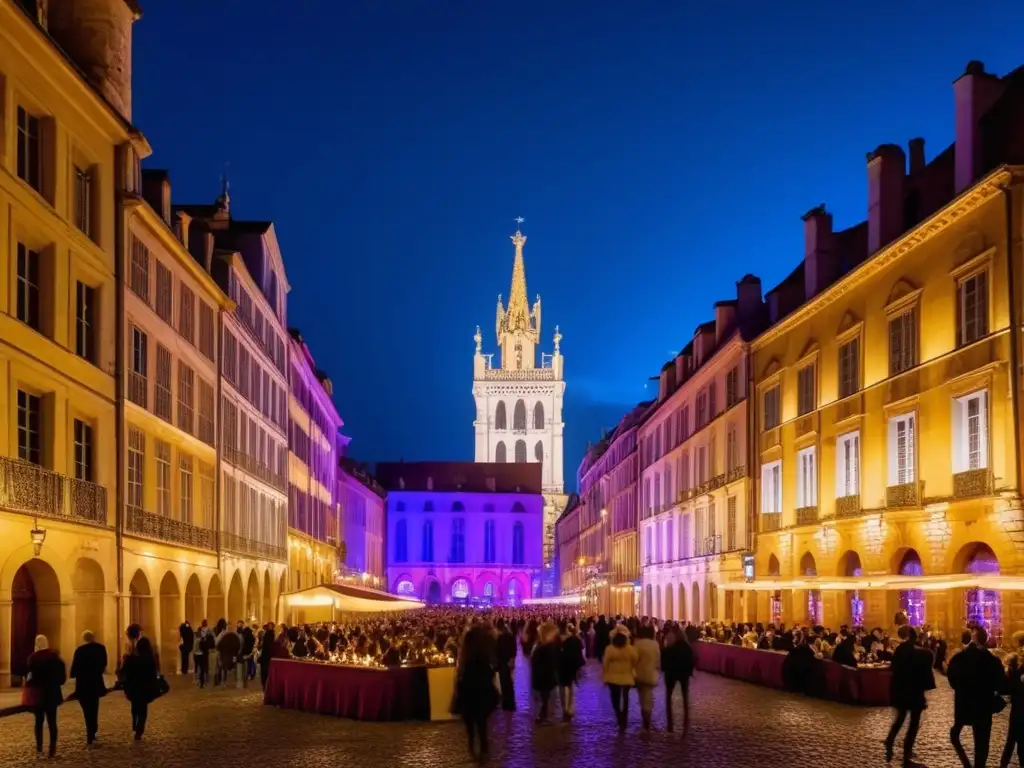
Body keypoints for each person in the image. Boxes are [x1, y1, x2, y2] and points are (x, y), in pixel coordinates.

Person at [948, 625, 1007, 768]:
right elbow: (1001, 685)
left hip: (965, 702)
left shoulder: (961, 657)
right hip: (983, 705)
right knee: (982, 742)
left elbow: (952, 677)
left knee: (956, 734)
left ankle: (968, 764)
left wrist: (962, 689)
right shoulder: (992, 660)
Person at [884, 626, 935, 768]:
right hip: (913, 693)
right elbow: (929, 657)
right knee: (913, 724)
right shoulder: (917, 653)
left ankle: (890, 740)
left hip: (899, 691)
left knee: (900, 718)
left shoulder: (900, 651)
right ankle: (906, 759)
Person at [456, 623, 498, 763]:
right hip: (483, 695)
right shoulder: (484, 658)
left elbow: (460, 678)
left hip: (468, 696)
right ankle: (484, 750)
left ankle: (471, 745)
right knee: (482, 724)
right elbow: (491, 674)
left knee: (470, 724)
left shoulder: (465, 660)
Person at [26, 635, 66, 758]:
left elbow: (29, 676)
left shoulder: (33, 657)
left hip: (38, 693)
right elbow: (62, 676)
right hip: (52, 692)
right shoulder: (54, 656)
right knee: (52, 721)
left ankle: (39, 748)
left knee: (39, 722)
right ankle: (52, 749)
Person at [70, 630, 108, 746]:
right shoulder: (101, 648)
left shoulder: (80, 650)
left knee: (86, 709)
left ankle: (90, 732)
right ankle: (93, 728)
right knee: (94, 706)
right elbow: (104, 663)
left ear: (84, 639)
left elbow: (73, 670)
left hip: (83, 684)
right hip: (95, 682)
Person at [602, 625, 638, 732]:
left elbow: (605, 663)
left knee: (615, 699)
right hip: (627, 676)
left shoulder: (610, 649)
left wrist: (605, 674)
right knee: (626, 698)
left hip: (613, 678)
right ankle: (624, 719)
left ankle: (619, 716)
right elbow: (635, 660)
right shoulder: (630, 649)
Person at [122, 637, 159, 740]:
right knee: (143, 709)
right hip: (145, 687)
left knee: (135, 706)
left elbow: (125, 672)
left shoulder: (132, 659)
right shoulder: (150, 660)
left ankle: (135, 723)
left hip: (134, 687)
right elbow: (153, 674)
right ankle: (140, 728)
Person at [661, 625, 695, 731]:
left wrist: (665, 670)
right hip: (684, 674)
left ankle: (670, 723)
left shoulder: (670, 648)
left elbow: (664, 660)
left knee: (668, 698)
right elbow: (691, 661)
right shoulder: (687, 648)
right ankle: (686, 722)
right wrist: (689, 672)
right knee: (685, 698)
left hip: (671, 674)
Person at [1001, 631, 1024, 768]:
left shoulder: (1016, 667)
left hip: (1018, 708)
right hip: (1017, 707)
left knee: (1014, 740)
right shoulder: (1016, 666)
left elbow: (1009, 687)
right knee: (1014, 740)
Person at [530, 621, 560, 724]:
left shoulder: (540, 645)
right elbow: (550, 663)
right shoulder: (546, 647)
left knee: (545, 698)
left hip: (542, 678)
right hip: (545, 678)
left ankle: (542, 717)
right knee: (546, 697)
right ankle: (543, 717)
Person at [633, 623, 660, 731]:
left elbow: (634, 659)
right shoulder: (655, 644)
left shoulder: (638, 644)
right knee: (648, 696)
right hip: (651, 673)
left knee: (642, 697)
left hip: (640, 674)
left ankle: (645, 717)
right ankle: (647, 716)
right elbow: (658, 660)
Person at [557, 621, 584, 722]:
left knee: (563, 687)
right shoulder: (575, 639)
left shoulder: (558, 639)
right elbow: (580, 651)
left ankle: (565, 708)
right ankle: (569, 708)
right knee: (570, 686)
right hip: (571, 667)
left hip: (562, 667)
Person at [494, 619, 517, 712]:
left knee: (505, 683)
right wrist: (512, 659)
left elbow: (498, 651)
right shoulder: (510, 636)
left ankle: (507, 704)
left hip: (503, 663)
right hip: (509, 662)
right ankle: (510, 703)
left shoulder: (501, 637)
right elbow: (514, 649)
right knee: (509, 683)